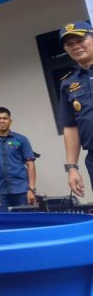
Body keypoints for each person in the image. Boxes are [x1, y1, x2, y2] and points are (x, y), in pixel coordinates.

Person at [58, 21, 93, 197]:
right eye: (70, 44)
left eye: (80, 40)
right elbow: (71, 127)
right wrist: (72, 167)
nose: (76, 46)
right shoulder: (68, 83)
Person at [0, 107, 36, 212]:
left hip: (21, 190)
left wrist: (31, 189)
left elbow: (30, 165)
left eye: (5, 118)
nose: (2, 121)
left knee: (26, 222)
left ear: (10, 121)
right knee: (1, 224)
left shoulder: (21, 139)